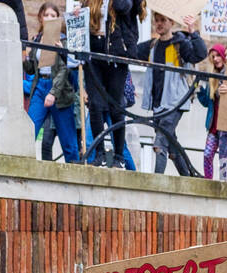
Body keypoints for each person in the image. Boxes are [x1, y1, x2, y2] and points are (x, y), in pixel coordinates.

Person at [136, 10, 206, 175]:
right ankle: (188, 176)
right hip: (158, 102)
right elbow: (129, 50)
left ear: (171, 23)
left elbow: (200, 54)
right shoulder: (152, 45)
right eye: (157, 20)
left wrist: (193, 31)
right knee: (171, 143)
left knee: (160, 140)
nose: (159, 24)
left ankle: (156, 178)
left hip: (175, 101)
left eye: (163, 20)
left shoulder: (181, 44)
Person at [23, 4, 82, 164]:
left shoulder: (62, 40)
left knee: (68, 140)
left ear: (57, 18)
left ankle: (75, 174)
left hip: (59, 91)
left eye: (53, 15)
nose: (49, 18)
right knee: (29, 131)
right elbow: (31, 70)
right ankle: (23, 166)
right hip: (40, 86)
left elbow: (64, 69)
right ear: (41, 17)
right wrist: (25, 58)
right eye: (46, 14)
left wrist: (53, 93)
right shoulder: (37, 39)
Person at [90, 0, 142, 169]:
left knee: (116, 107)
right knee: (95, 106)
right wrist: (79, 15)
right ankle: (99, 154)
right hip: (94, 52)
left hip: (117, 53)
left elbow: (122, 6)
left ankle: (119, 156)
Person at [197, 44, 227, 181]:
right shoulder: (212, 77)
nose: (215, 58)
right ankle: (209, 181)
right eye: (213, 56)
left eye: (218, 55)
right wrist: (199, 91)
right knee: (207, 154)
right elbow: (206, 102)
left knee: (225, 158)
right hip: (214, 125)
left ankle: (224, 183)